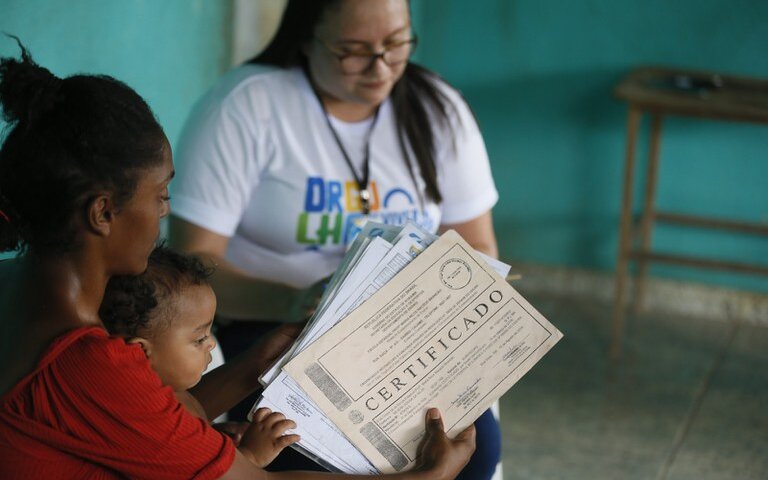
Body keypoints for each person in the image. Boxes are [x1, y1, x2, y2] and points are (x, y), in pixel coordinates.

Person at [0, 41, 475, 479]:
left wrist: (260, 361)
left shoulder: (21, 291)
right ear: (104, 212)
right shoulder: (84, 361)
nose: (164, 211)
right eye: (161, 194)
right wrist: (427, 477)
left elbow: (151, 420)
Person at [169, 0, 500, 477]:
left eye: (397, 43)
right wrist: (293, 302)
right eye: (353, 50)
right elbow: (192, 260)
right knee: (311, 450)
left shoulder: (438, 109)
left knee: (472, 451)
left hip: (406, 338)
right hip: (275, 332)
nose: (380, 66)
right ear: (307, 38)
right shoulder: (247, 105)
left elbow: (479, 248)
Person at [100, 244, 300, 465]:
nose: (212, 344)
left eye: (209, 333)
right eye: (199, 339)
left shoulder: (170, 397)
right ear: (139, 351)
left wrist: (214, 435)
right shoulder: (148, 419)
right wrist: (251, 455)